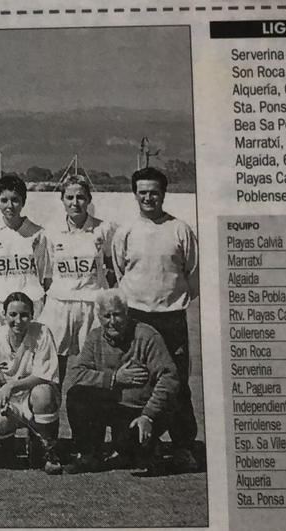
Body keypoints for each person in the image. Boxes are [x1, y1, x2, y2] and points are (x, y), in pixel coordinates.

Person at [110, 167, 200, 472]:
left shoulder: (181, 230)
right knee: (136, 379)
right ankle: (135, 443)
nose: (148, 197)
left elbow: (193, 274)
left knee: (177, 383)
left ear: (163, 194)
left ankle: (183, 446)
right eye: (142, 192)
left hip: (171, 317)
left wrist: (172, 301)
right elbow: (120, 271)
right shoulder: (126, 231)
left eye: (154, 192)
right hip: (136, 318)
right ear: (134, 194)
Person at [63, 289, 179, 474]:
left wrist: (148, 415)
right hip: (114, 405)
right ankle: (89, 456)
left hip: (140, 410)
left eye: (117, 314)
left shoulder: (147, 336)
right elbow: (76, 374)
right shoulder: (95, 337)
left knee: (132, 452)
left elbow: (169, 377)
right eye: (106, 316)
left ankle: (149, 447)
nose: (112, 321)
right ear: (99, 316)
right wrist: (114, 378)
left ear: (126, 313)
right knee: (77, 395)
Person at [0, 292, 63, 473]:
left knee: (44, 393)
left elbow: (45, 375)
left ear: (32, 315)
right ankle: (2, 445)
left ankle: (45, 447)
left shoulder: (42, 332)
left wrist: (11, 385)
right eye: (13, 315)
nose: (18, 320)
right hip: (6, 403)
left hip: (32, 399)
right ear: (3, 315)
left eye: (24, 315)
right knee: (3, 440)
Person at [40, 175, 117, 383]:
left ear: (89, 199)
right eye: (70, 197)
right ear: (62, 200)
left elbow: (112, 268)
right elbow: (47, 274)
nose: (75, 203)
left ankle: (91, 414)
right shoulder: (51, 232)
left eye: (81, 197)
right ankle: (51, 413)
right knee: (52, 368)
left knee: (92, 365)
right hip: (59, 305)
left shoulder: (105, 229)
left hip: (92, 304)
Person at [0, 174, 50, 330]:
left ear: (23, 202)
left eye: (15, 200)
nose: (10, 205)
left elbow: (44, 274)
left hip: (31, 305)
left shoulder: (38, 233)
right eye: (4, 200)